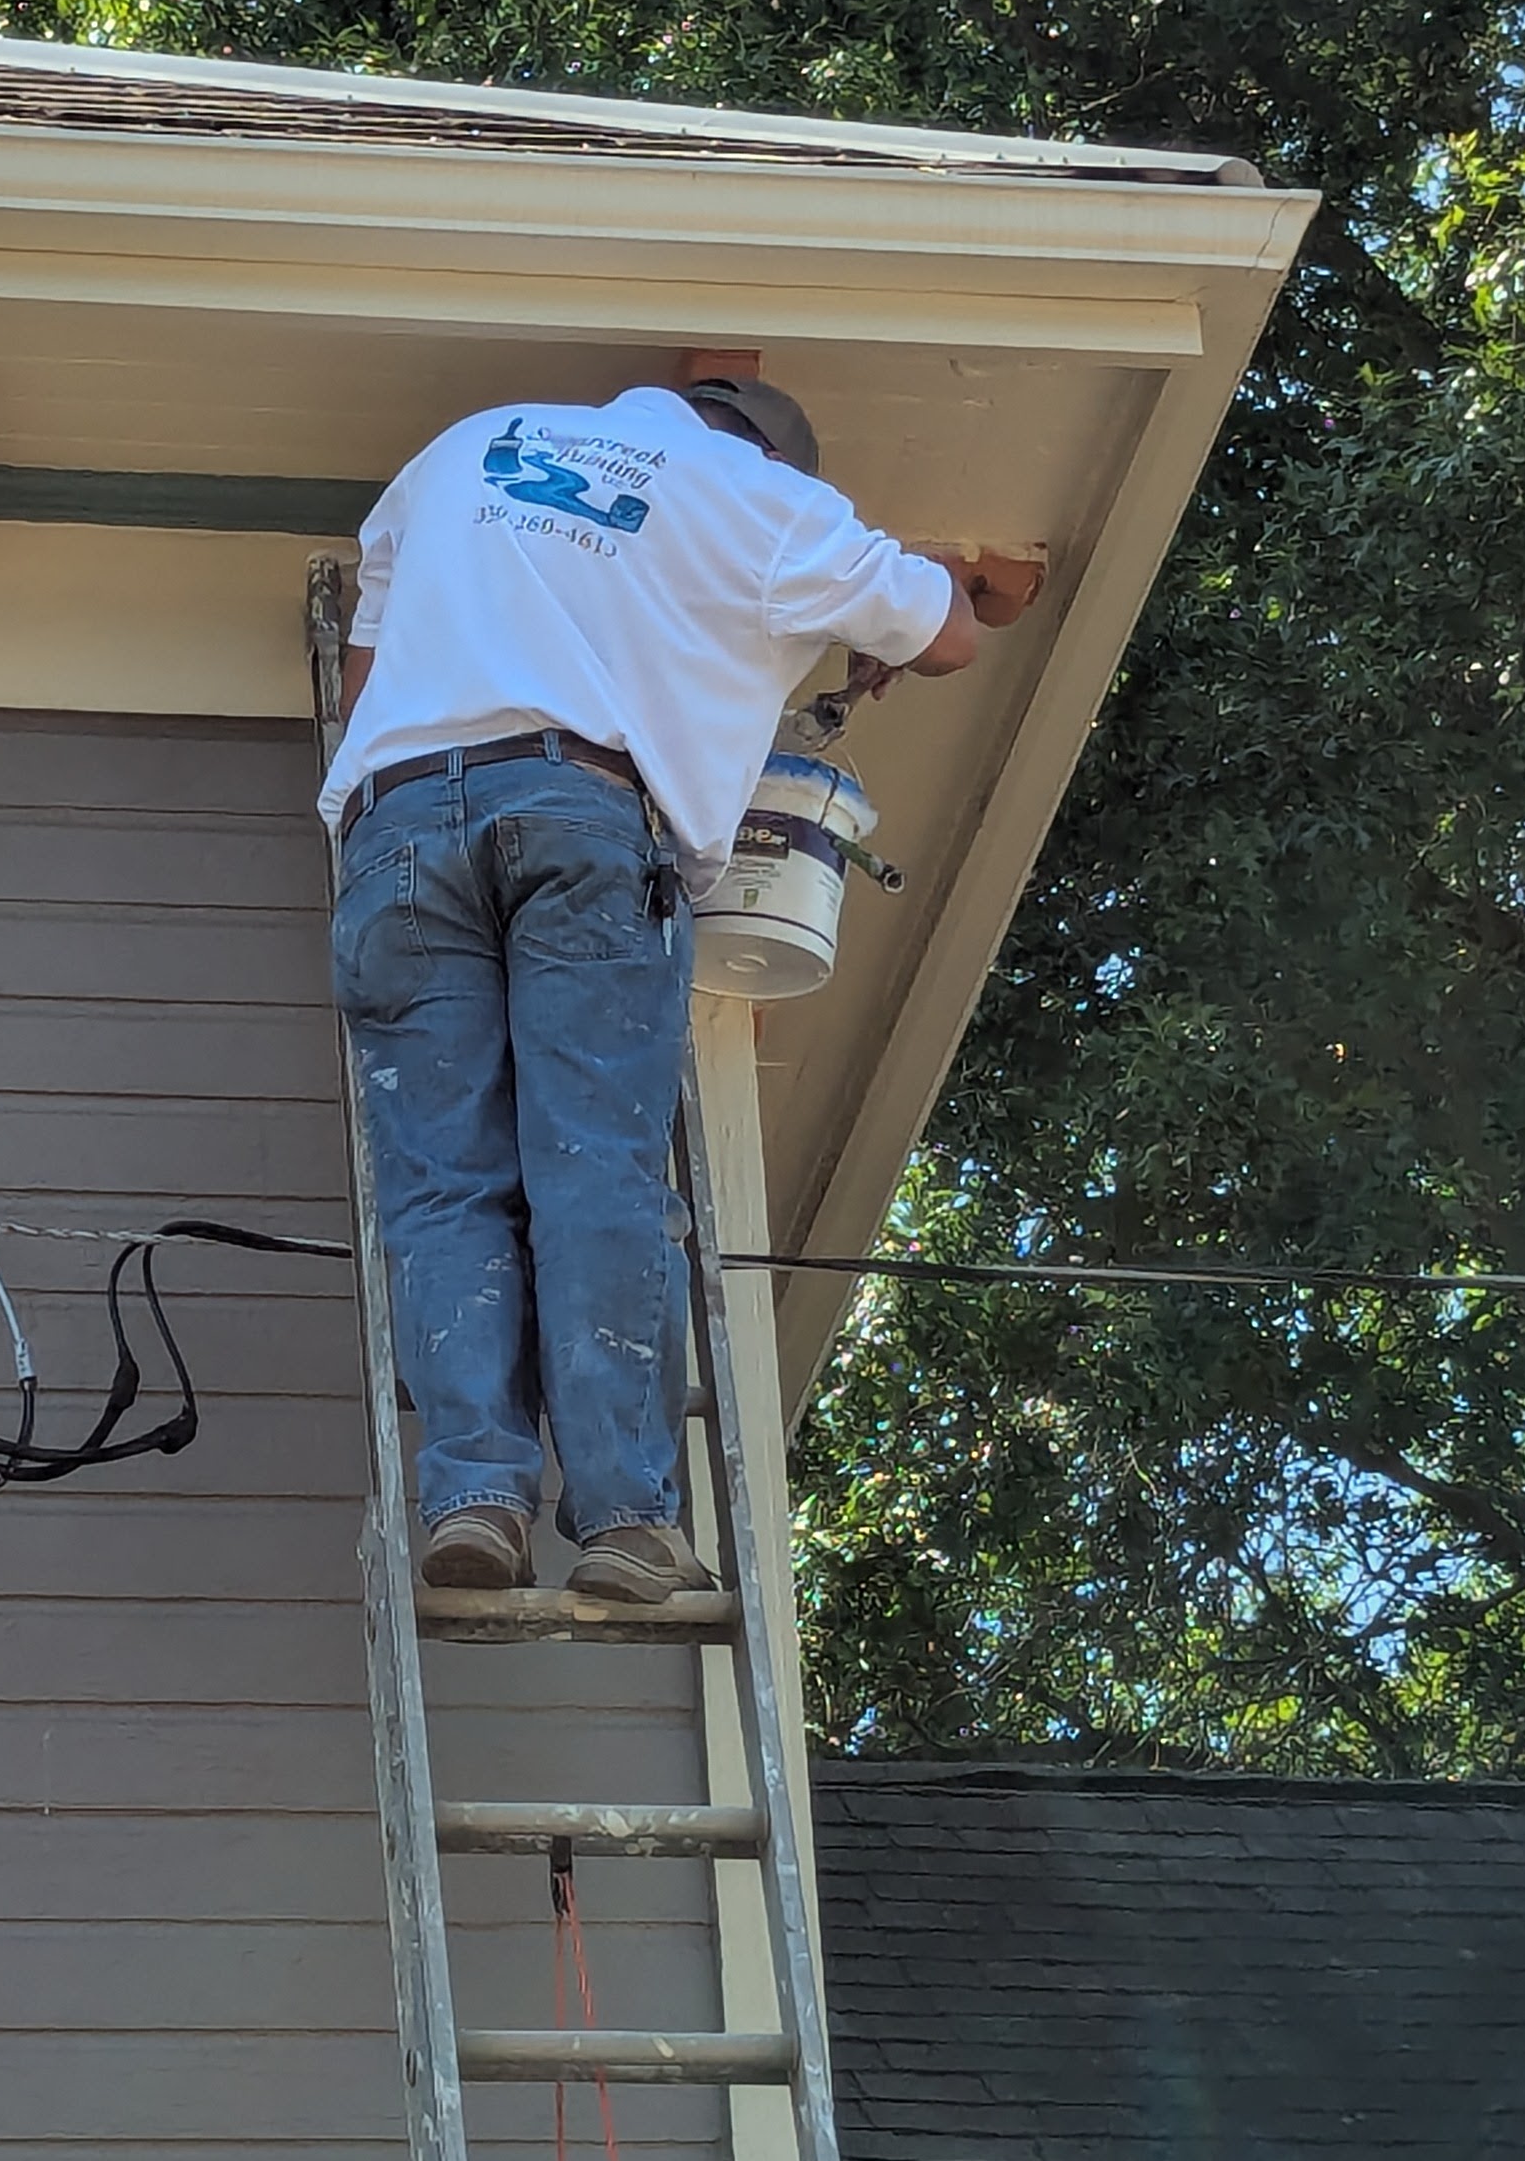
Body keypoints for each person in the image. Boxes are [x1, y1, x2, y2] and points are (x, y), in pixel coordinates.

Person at [318, 367, 1024, 1597]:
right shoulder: (766, 504)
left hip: (398, 826)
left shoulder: (469, 444)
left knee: (443, 1186)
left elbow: (370, 667)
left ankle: (475, 1497)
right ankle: (623, 1521)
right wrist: (870, 608)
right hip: (582, 815)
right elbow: (952, 631)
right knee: (595, 1169)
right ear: (770, 454)